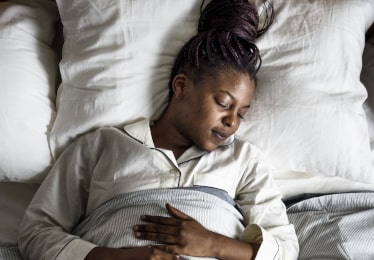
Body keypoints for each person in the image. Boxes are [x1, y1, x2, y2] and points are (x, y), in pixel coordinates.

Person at [18, 0, 297, 259]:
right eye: (224, 103)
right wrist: (116, 257)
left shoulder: (244, 160)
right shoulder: (101, 146)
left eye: (241, 114)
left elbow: (285, 249)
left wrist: (213, 243)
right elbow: (36, 233)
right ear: (181, 86)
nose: (232, 121)